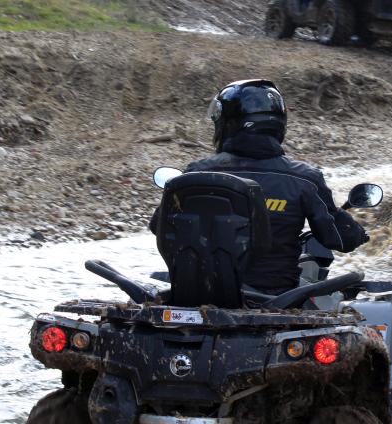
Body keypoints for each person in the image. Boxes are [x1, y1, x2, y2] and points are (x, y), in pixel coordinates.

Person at [154, 79, 369, 293]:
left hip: (198, 293)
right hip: (273, 297)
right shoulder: (305, 179)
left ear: (227, 123)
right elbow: (340, 239)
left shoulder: (196, 173)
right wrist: (357, 232)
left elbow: (159, 226)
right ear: (278, 124)